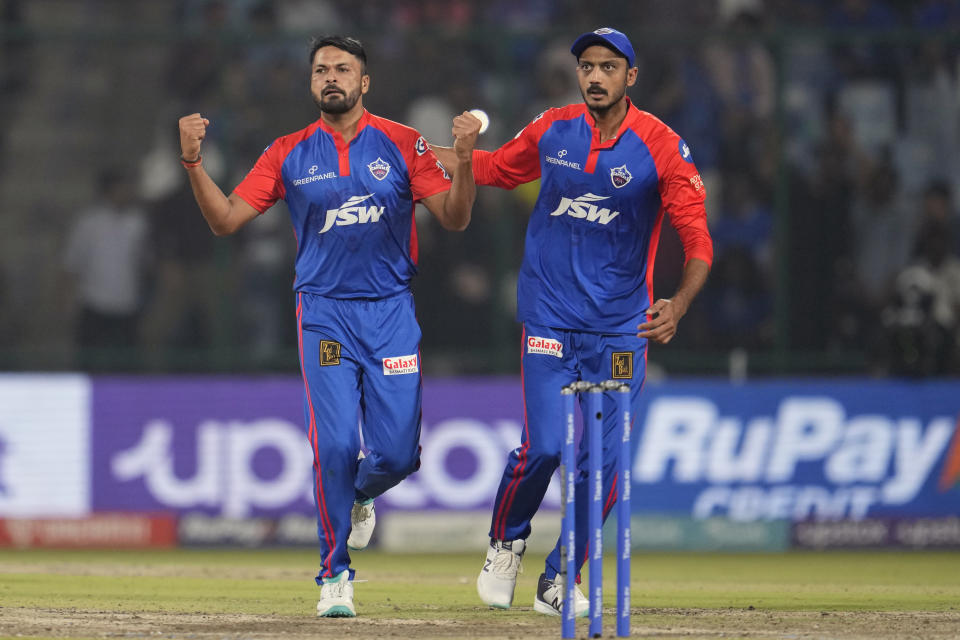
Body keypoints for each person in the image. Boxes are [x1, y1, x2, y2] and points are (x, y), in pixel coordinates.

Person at [177, 35, 480, 618]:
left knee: (397, 457)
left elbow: (455, 217)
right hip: (325, 314)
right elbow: (225, 221)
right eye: (321, 70)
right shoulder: (288, 152)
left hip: (391, 312)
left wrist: (464, 160)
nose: (331, 77)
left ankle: (358, 496)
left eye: (343, 68)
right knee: (336, 443)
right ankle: (334, 573)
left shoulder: (402, 142)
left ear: (365, 82)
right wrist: (192, 162)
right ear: (311, 82)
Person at [431, 27, 713, 615]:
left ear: (630, 77)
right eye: (586, 66)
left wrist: (679, 304)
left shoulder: (662, 145)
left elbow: (697, 239)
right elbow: (495, 170)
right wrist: (448, 154)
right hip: (550, 317)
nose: (594, 76)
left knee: (603, 462)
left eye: (608, 67)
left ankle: (561, 575)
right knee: (543, 449)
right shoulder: (553, 127)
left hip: (619, 328)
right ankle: (505, 544)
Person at [62, 167, 151, 371]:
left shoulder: (138, 223)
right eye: (121, 187)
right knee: (88, 364)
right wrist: (66, 304)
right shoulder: (88, 223)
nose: (126, 192)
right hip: (94, 305)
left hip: (128, 306)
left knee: (127, 367)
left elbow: (146, 263)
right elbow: (71, 265)